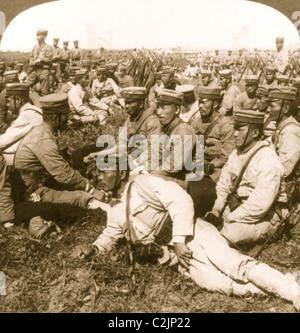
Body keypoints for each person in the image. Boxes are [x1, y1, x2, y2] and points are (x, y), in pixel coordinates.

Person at [72, 152, 300, 312]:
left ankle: (292, 291)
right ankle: (277, 287)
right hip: (174, 254)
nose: (99, 178)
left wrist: (180, 240)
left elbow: (181, 200)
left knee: (234, 264)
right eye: (98, 174)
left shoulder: (144, 183)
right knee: (219, 283)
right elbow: (112, 232)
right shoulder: (115, 204)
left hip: (193, 234)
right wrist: (94, 248)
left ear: (121, 173)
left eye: (105, 172)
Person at [13, 93, 104, 220]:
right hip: (32, 192)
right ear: (56, 117)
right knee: (82, 198)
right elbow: (64, 174)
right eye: (66, 115)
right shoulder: (43, 139)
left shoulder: (42, 131)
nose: (68, 119)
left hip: (42, 182)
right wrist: (92, 190)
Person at [206, 110, 287, 246]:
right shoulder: (236, 153)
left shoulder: (268, 159)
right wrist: (217, 209)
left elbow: (260, 205)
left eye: (240, 130)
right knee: (204, 222)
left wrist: (228, 219)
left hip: (265, 215)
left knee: (226, 235)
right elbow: (224, 185)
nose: (235, 134)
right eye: (235, 129)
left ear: (255, 133)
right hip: (237, 206)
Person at [0, 83, 43, 228]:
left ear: (18, 100)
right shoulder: (32, 112)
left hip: (22, 160)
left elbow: (5, 141)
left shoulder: (28, 115)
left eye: (8, 100)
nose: (6, 104)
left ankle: (7, 219)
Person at [152, 88, 196, 189]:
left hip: (188, 181)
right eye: (158, 107)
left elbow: (173, 167)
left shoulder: (184, 131)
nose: (158, 112)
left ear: (176, 110)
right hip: (168, 176)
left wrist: (150, 173)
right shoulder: (165, 128)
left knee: (148, 180)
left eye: (163, 108)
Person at [191, 86, 235, 183]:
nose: (200, 106)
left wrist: (211, 165)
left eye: (204, 102)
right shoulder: (196, 122)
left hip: (217, 168)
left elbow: (227, 155)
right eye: (199, 102)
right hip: (198, 164)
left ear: (215, 104)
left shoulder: (225, 124)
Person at [267, 87, 300, 208]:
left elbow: (284, 170)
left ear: (285, 109)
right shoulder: (281, 127)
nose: (269, 110)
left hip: (284, 192)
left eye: (272, 106)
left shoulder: (290, 131)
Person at [26, 29, 53, 96]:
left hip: (44, 69)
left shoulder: (48, 47)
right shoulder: (35, 47)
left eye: (39, 35)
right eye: (37, 35)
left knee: (44, 91)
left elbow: (49, 59)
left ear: (44, 37)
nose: (37, 37)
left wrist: (41, 59)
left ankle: (45, 103)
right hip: (35, 69)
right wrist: (32, 62)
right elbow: (31, 57)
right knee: (26, 85)